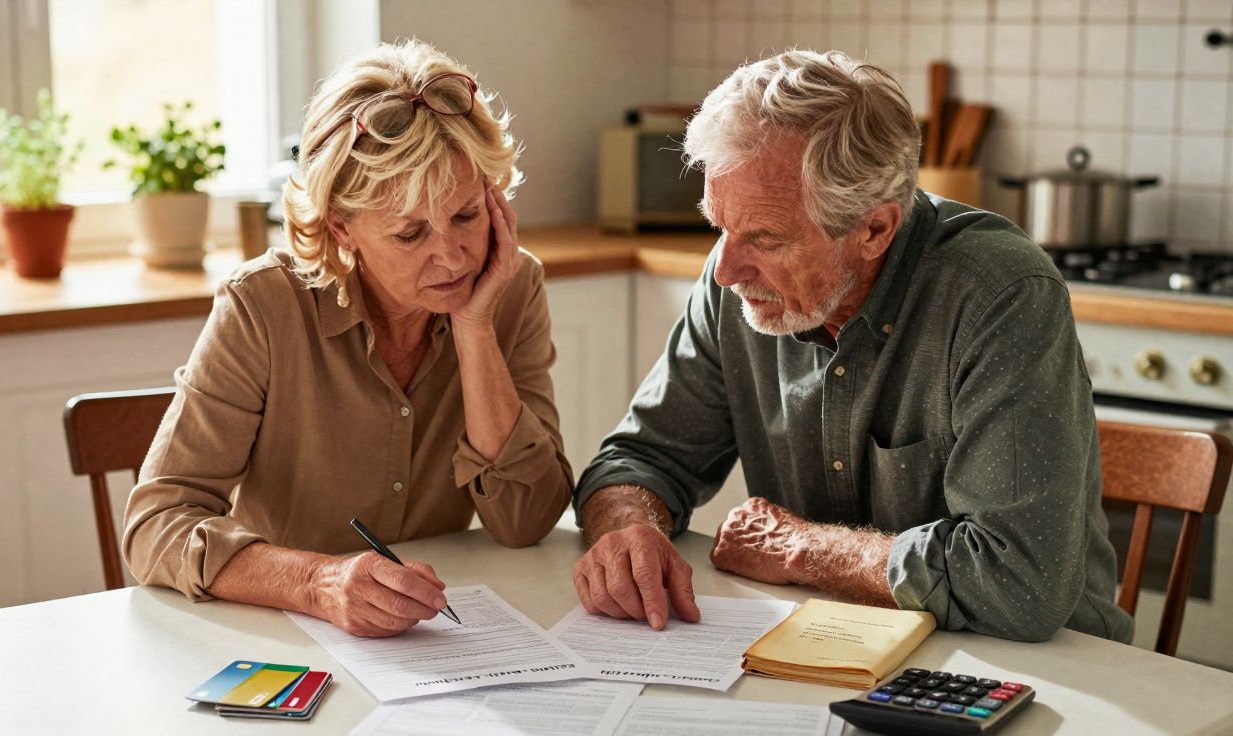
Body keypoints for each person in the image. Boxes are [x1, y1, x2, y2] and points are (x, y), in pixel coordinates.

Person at [571, 49, 1133, 644]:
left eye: (766, 239)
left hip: (1040, 663)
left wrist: (805, 549)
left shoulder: (999, 295)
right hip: (834, 638)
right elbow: (639, 462)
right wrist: (628, 528)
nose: (727, 270)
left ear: (873, 230)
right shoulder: (737, 279)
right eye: (719, 225)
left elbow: (1018, 584)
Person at [124, 40, 573, 638]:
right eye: (410, 234)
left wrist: (474, 328)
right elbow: (156, 525)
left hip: (436, 641)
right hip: (283, 635)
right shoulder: (264, 305)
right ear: (341, 226)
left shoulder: (510, 287)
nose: (452, 257)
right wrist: (319, 582)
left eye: (467, 215)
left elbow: (526, 521)